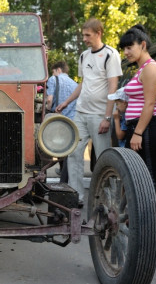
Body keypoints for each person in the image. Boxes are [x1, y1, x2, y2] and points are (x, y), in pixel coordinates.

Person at [55, 18, 122, 207]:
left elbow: (113, 86)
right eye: (83, 35)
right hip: (81, 113)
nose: (84, 39)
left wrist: (107, 117)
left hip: (100, 114)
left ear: (98, 33)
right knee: (74, 152)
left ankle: (105, 198)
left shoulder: (111, 55)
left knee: (102, 158)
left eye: (87, 35)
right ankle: (76, 196)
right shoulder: (84, 56)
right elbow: (83, 84)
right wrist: (67, 102)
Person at [119, 24, 156, 186]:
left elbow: (150, 103)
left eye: (129, 47)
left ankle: (150, 211)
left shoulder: (151, 68)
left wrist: (138, 133)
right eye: (124, 49)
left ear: (143, 45)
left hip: (146, 129)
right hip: (137, 127)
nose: (126, 53)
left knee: (148, 178)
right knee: (137, 178)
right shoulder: (141, 69)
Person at [46, 61, 78, 181]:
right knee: (69, 149)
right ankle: (66, 176)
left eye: (53, 71)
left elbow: (49, 100)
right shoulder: (75, 84)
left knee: (58, 149)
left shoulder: (53, 79)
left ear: (58, 70)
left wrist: (47, 110)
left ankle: (62, 177)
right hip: (73, 121)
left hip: (59, 120)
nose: (53, 73)